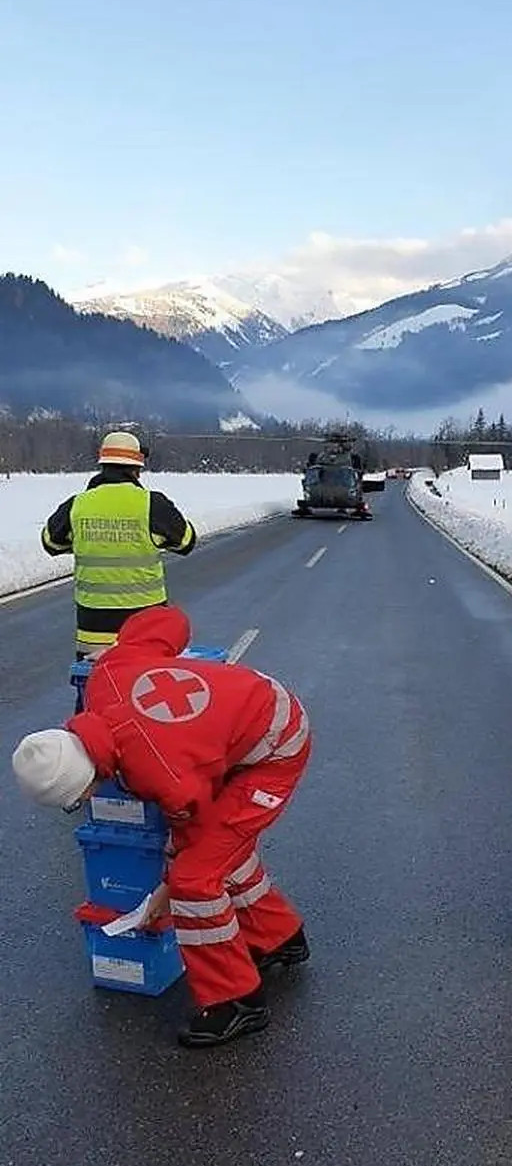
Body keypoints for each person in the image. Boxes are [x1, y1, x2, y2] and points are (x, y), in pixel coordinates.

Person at [11, 605, 312, 1049]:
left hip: (276, 748)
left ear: (85, 780)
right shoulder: (106, 677)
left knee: (195, 879)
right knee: (224, 855)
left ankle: (237, 1002)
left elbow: (190, 835)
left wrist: (165, 891)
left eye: (78, 798)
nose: (88, 801)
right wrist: (118, 652)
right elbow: (165, 623)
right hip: (256, 700)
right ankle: (279, 939)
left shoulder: (159, 773)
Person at [40, 427, 196, 662]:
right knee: (145, 691)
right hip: (147, 631)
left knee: (95, 690)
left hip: (93, 633)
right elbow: (186, 542)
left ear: (102, 464)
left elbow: (50, 542)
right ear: (137, 469)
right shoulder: (152, 504)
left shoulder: (78, 505)